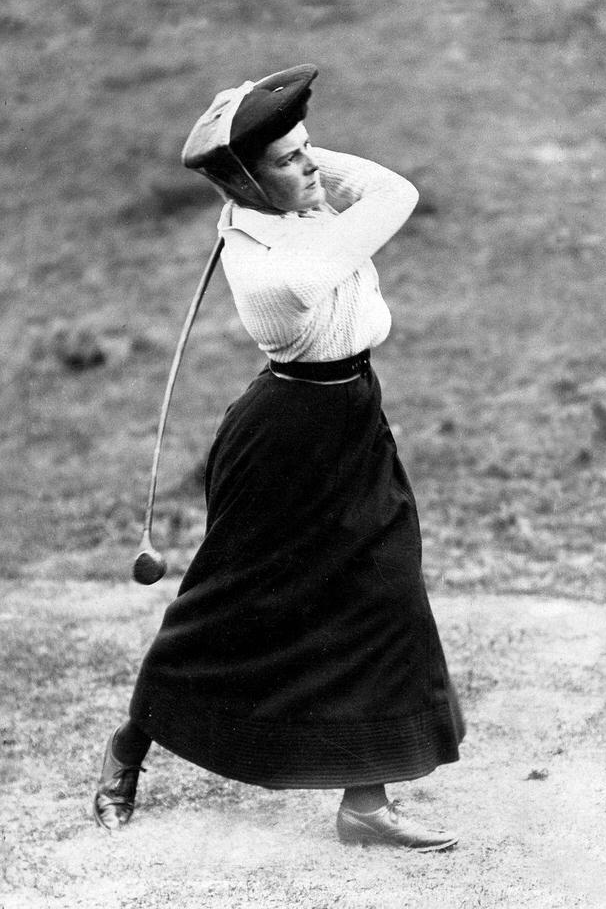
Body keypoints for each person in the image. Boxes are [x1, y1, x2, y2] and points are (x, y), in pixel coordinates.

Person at [91, 64, 465, 852]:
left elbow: (361, 186)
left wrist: (289, 158)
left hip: (354, 416)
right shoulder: (282, 264)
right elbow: (396, 193)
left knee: (385, 591)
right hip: (287, 434)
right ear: (249, 187)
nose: (311, 166)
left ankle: (365, 803)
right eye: (290, 160)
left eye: (308, 151)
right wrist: (299, 175)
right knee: (234, 604)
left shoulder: (290, 212)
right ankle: (129, 747)